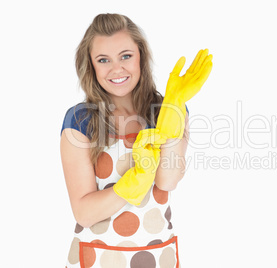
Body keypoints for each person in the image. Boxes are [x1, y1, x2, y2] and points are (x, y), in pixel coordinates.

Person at [60, 13, 213, 267]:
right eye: (103, 60)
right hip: (98, 258)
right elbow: (84, 213)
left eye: (126, 56)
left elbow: (168, 179)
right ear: (91, 65)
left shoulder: (165, 110)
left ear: (141, 56)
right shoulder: (80, 120)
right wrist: (131, 183)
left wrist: (174, 105)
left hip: (155, 255)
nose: (116, 68)